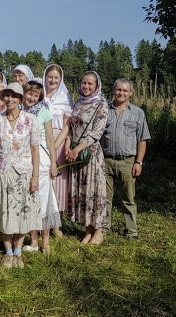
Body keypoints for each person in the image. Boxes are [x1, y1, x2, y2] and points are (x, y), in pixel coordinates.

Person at [0, 83, 42, 269]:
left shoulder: (31, 119)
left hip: (23, 172)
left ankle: (18, 252)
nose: (10, 99)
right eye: (7, 95)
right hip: (2, 171)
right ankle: (8, 252)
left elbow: (35, 150)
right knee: (4, 212)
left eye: (14, 96)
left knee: (22, 213)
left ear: (20, 99)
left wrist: (35, 176)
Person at [101, 78, 150, 239]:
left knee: (128, 198)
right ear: (113, 91)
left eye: (125, 90)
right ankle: (104, 228)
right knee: (105, 198)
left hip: (127, 161)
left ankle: (131, 231)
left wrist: (138, 162)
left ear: (131, 93)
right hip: (106, 160)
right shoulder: (104, 110)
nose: (121, 93)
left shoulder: (137, 113)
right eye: (118, 90)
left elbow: (142, 139)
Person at [66, 71, 109, 245]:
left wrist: (78, 149)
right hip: (76, 152)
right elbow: (70, 128)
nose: (86, 86)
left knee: (94, 191)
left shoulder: (101, 104)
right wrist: (69, 147)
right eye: (84, 83)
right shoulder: (77, 103)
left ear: (97, 85)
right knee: (83, 192)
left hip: (90, 154)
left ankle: (98, 231)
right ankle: (87, 230)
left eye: (90, 84)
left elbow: (96, 133)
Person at [22, 80, 61, 253]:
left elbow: (50, 140)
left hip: (42, 159)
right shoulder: (19, 111)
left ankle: (45, 241)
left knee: (43, 200)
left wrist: (53, 163)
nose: (31, 97)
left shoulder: (44, 112)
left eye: (35, 95)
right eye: (29, 93)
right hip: (24, 159)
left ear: (39, 97)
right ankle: (33, 241)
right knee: (30, 200)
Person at [43, 64, 74, 237]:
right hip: (41, 140)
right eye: (50, 77)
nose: (53, 80)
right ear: (45, 77)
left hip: (58, 141)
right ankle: (43, 222)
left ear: (61, 80)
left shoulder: (65, 98)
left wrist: (54, 147)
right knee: (44, 179)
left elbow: (66, 126)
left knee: (59, 182)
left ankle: (57, 225)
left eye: (56, 78)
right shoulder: (40, 95)